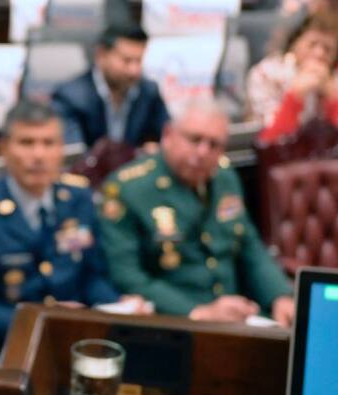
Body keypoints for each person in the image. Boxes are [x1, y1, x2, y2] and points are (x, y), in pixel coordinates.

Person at [0, 100, 146, 365]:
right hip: (1, 348)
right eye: (27, 143)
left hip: (74, 343)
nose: (38, 155)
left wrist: (117, 307)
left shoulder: (77, 199)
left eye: (49, 143)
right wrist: (37, 319)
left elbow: (91, 276)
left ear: (61, 149)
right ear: (3, 149)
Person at [99, 98, 295, 326]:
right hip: (172, 323)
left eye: (214, 145)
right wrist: (197, 312)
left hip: (237, 317)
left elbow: (249, 246)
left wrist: (279, 295)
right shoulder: (129, 189)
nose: (203, 152)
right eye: (194, 139)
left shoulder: (225, 179)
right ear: (168, 134)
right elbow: (126, 275)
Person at [50, 22, 170, 148]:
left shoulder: (149, 92)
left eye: (139, 61)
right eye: (127, 61)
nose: (134, 70)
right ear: (101, 55)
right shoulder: (71, 97)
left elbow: (168, 138)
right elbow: (73, 151)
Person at [246, 14, 338, 141]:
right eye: (312, 44)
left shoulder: (336, 78)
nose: (319, 54)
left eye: (328, 49)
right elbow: (270, 140)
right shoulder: (265, 74)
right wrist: (296, 95)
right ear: (295, 43)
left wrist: (332, 100)